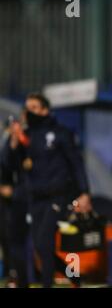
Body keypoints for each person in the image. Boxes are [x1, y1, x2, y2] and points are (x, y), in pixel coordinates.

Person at [3, 93, 92, 287]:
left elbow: (76, 163)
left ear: (45, 110)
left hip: (57, 195)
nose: (29, 112)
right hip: (35, 198)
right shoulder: (27, 136)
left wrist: (84, 192)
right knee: (39, 245)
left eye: (34, 108)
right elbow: (9, 165)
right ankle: (74, 276)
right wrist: (13, 143)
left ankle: (47, 284)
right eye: (27, 108)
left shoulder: (60, 133)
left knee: (44, 242)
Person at [0, 113, 31, 287]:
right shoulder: (8, 143)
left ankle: (19, 275)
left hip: (24, 196)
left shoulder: (26, 140)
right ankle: (13, 274)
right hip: (11, 198)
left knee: (33, 239)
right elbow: (5, 163)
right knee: (9, 237)